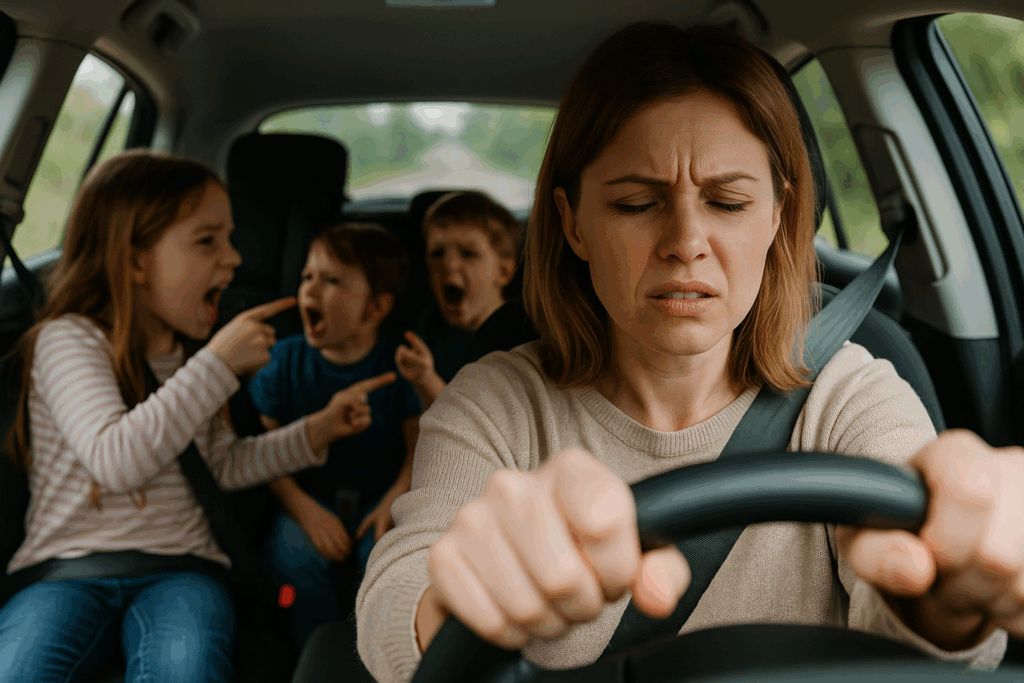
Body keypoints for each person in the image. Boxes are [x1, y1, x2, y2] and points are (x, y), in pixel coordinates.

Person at [355, 22, 1022, 683]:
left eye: (728, 203)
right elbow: (395, 601)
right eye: (637, 203)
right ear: (573, 223)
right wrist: (458, 598)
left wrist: (942, 596)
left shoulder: (852, 396)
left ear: (777, 218)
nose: (685, 240)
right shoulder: (497, 402)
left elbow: (925, 631)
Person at [0, 150, 373, 683]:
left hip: (183, 571)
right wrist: (218, 365)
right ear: (134, 261)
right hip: (68, 570)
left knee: (186, 667)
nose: (234, 259)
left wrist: (315, 430)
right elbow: (115, 459)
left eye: (229, 239)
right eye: (207, 241)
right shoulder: (69, 341)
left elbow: (220, 466)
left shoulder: (191, 360)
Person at [249, 223, 422, 646]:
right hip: (306, 500)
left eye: (331, 281)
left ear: (376, 307)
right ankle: (314, 653)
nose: (311, 289)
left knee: (384, 563)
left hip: (380, 500)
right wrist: (305, 510)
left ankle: (376, 655)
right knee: (294, 557)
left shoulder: (399, 364)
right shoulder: (282, 362)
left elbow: (418, 450)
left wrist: (391, 504)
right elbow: (261, 454)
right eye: (308, 276)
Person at [395, 191, 520, 410]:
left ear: (504, 272)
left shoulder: (522, 337)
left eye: (468, 254)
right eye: (437, 253)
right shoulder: (427, 329)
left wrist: (427, 379)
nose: (449, 265)